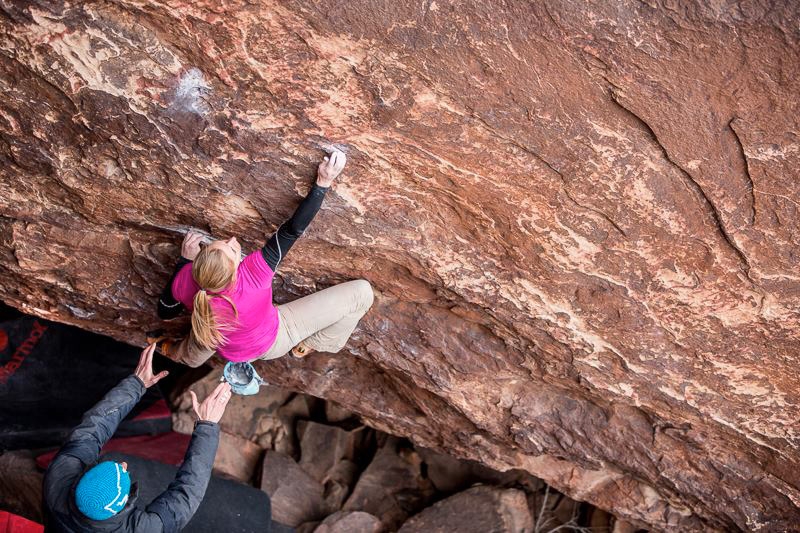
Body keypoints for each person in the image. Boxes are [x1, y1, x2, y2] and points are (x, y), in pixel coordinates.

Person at [155, 150, 374, 367]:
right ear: (235, 271)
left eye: (223, 242)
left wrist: (183, 263)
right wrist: (322, 183)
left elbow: (165, 312)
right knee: (362, 294)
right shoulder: (253, 277)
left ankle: (168, 349)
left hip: (221, 341)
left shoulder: (187, 281)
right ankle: (310, 344)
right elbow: (291, 231)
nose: (232, 240)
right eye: (232, 249)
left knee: (196, 350)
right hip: (269, 343)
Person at [43, 343, 232, 532]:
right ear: (120, 504)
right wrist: (207, 426)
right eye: (123, 473)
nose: (123, 465)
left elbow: (91, 430)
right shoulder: (140, 530)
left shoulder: (58, 480)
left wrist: (136, 384)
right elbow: (187, 493)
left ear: (79, 481)